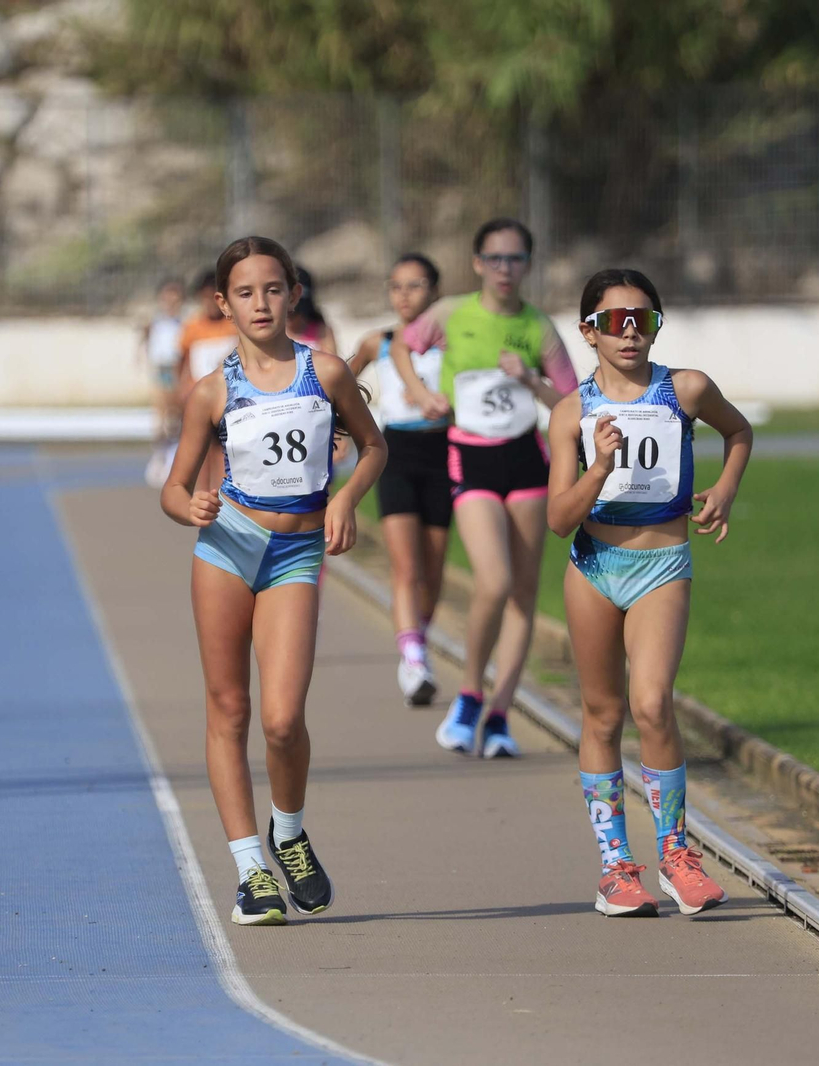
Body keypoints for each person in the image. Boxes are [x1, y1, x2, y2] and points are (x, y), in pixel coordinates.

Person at [160, 236, 387, 926]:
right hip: (227, 548)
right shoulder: (211, 391)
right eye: (246, 292)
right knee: (229, 710)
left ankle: (288, 835)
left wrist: (344, 500)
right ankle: (250, 869)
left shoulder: (326, 373)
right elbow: (172, 489)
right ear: (222, 304)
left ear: (293, 294)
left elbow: (374, 445)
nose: (261, 303)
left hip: (295, 554)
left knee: (284, 720)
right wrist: (189, 505)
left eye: (273, 288)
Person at [546, 268, 753, 918]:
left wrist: (723, 490)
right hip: (593, 567)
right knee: (604, 714)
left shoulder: (684, 389)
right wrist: (600, 466)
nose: (630, 330)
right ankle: (615, 868)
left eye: (643, 318)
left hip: (663, 563)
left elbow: (739, 432)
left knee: (654, 703)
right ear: (589, 332)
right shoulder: (571, 412)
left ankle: (676, 856)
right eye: (614, 320)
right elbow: (558, 519)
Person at [390, 218, 578, 758]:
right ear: (477, 263)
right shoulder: (452, 313)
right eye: (494, 258)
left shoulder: (539, 327)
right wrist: (419, 391)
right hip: (468, 457)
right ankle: (470, 693)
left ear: (528, 265)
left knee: (522, 593)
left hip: (526, 462)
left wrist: (530, 379)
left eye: (515, 259)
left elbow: (569, 403)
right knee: (491, 582)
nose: (504, 268)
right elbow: (402, 345)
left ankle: (500, 716)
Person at [346, 253, 449, 705]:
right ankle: (413, 659)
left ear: (435, 292)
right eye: (396, 286)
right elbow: (338, 384)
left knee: (434, 567)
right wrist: (347, 429)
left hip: (447, 455)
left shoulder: (456, 343)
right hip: (397, 454)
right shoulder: (377, 342)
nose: (404, 295)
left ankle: (418, 638)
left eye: (416, 285)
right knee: (406, 566)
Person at [178, 268, 245, 492]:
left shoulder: (234, 325)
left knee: (224, 451)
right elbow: (183, 362)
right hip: (200, 397)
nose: (209, 303)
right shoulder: (192, 327)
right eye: (204, 297)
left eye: (213, 296)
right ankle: (202, 497)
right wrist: (183, 391)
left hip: (229, 398)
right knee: (201, 450)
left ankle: (222, 498)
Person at [137, 278, 186, 487]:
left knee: (175, 418)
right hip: (160, 371)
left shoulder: (183, 324)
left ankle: (171, 457)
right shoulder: (155, 322)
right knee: (159, 416)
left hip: (176, 372)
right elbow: (145, 342)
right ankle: (158, 456)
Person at [290, 265, 339, 356]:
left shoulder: (322, 331)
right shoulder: (274, 333)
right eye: (290, 314)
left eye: (298, 312)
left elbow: (331, 361)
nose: (292, 318)